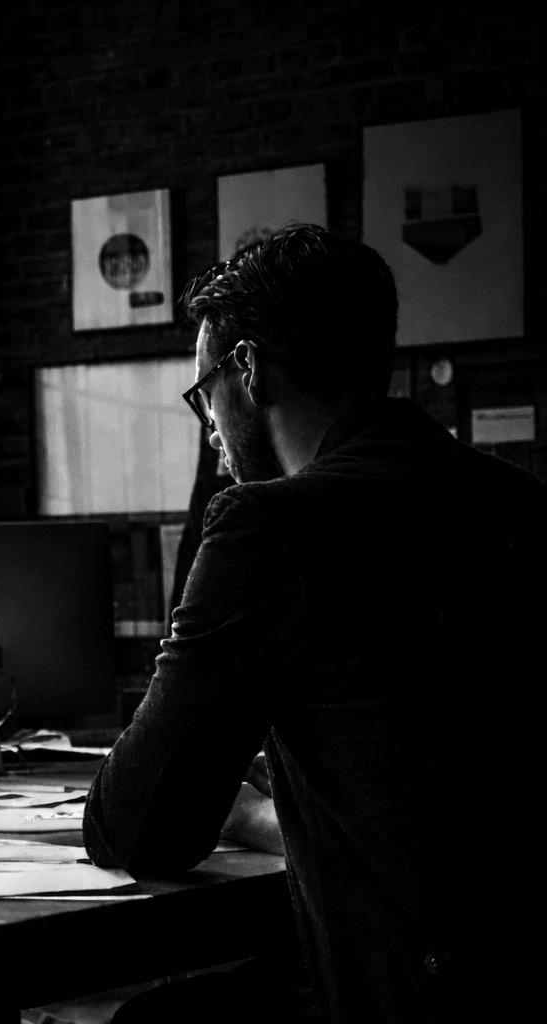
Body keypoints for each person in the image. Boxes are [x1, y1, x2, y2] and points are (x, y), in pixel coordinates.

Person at [83, 226, 546, 1023]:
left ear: (250, 370)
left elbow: (141, 827)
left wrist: (217, 797)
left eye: (205, 397)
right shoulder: (520, 501)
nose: (212, 432)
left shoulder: (269, 525)